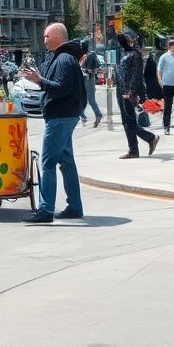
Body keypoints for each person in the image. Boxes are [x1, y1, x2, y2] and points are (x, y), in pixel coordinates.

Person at [21, 23, 86, 223]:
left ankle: (45, 210)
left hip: (60, 116)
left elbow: (61, 88)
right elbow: (51, 80)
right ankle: (74, 207)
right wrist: (37, 77)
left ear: (57, 36)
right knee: (66, 162)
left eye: (46, 36)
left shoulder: (64, 59)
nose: (44, 40)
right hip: (63, 115)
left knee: (47, 163)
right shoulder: (60, 58)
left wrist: (39, 81)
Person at [114, 30, 159, 159]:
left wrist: (132, 91)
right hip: (122, 91)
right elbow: (122, 72)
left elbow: (136, 75)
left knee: (129, 121)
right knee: (126, 121)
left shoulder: (135, 55)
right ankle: (135, 148)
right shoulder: (124, 54)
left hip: (129, 92)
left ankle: (147, 140)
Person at [79, 41, 104, 128]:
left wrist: (96, 72)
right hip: (81, 79)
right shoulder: (79, 55)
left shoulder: (91, 54)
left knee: (91, 100)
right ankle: (83, 117)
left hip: (89, 78)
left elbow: (97, 67)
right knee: (80, 99)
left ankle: (98, 114)